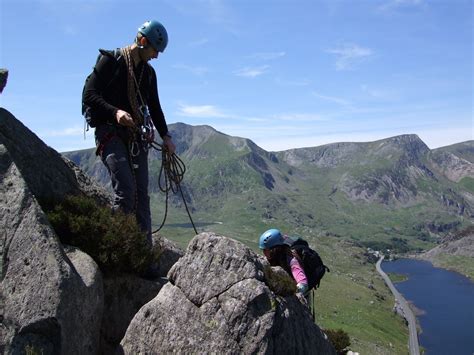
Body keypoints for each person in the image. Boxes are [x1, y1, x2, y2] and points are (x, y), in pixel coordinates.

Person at [83, 20, 176, 256]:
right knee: (125, 191)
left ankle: (143, 256)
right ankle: (114, 251)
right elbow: (89, 94)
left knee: (141, 196)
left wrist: (166, 136)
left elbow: (155, 107)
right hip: (109, 132)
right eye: (155, 49)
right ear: (143, 42)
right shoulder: (111, 61)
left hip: (134, 137)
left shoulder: (148, 74)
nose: (156, 56)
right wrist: (115, 112)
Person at [259, 228, 310, 299]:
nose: (264, 253)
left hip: (302, 296)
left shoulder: (292, 261)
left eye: (265, 250)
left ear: (274, 249)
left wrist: (292, 295)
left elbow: (303, 284)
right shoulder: (272, 258)